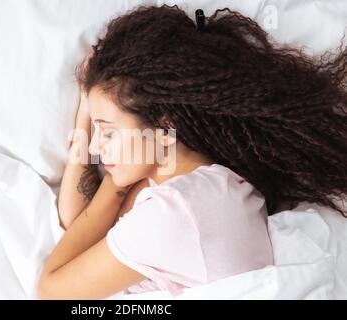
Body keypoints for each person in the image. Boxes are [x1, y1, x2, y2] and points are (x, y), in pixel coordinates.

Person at [37, 4, 347, 299]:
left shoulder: (172, 215)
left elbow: (50, 289)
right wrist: (85, 117)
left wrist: (113, 179)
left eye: (107, 131)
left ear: (163, 127)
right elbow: (78, 222)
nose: (95, 147)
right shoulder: (207, 180)